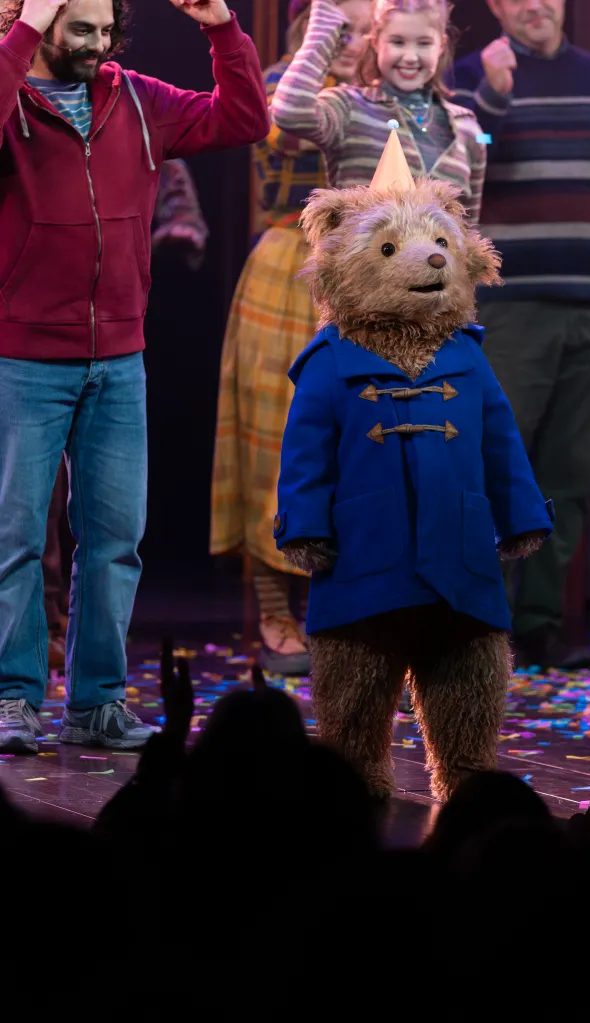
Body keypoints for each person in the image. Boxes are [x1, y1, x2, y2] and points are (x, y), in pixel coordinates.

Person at [0, 0, 268, 755]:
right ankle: (14, 698)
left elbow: (245, 117)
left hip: (118, 358)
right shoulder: (12, 91)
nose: (94, 44)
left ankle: (98, 704)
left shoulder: (140, 99)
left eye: (104, 29)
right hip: (21, 356)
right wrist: (21, 32)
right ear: (45, 25)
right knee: (15, 539)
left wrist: (219, 25)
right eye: (76, 27)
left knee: (116, 540)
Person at [451, 0, 590, 669]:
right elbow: (459, 177)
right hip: (505, 307)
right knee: (489, 467)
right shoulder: (467, 77)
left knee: (566, 474)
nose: (532, 5)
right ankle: (477, 625)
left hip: (587, 307)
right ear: (495, 6)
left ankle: (538, 623)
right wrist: (492, 97)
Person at [210, 0, 370, 676]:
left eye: (373, 28)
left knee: (356, 444)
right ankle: (276, 611)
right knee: (274, 442)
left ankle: (340, 609)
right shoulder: (285, 80)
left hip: (365, 271)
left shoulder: (383, 96)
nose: (368, 39)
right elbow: (281, 129)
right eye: (356, 26)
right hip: (290, 266)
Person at [44, 157, 209, 674]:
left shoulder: (131, 112)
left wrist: (176, 230)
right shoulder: (25, 111)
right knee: (26, 516)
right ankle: (37, 636)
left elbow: (179, 199)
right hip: (29, 326)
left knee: (105, 522)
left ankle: (80, 664)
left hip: (104, 334)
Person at [271, 0, 486, 222]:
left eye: (423, 43)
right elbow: (289, 112)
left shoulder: (467, 129)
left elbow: (467, 233)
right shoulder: (349, 107)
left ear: (441, 45)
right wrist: (323, 29)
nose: (410, 57)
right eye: (397, 42)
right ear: (375, 42)